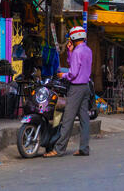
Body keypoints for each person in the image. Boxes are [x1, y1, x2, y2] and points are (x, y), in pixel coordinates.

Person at [44, 26, 92, 157]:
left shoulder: (78, 52)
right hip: (86, 86)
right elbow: (76, 65)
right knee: (84, 119)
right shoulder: (88, 50)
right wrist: (70, 52)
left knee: (67, 119)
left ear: (74, 37)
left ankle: (59, 149)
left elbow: (73, 73)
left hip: (76, 88)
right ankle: (84, 148)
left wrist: (63, 76)